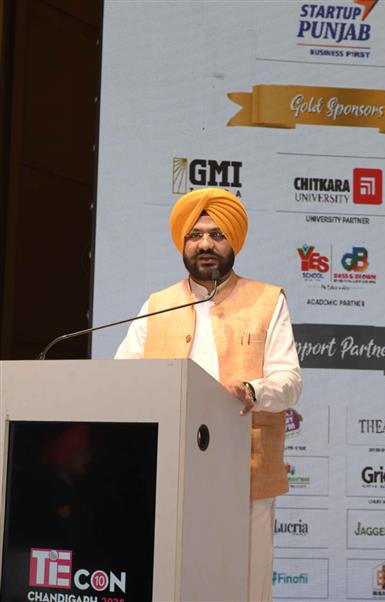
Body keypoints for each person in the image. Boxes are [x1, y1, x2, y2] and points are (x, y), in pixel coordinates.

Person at [115, 187, 302, 602]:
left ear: (233, 241)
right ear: (183, 243)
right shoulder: (157, 304)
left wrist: (254, 391)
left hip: (247, 470)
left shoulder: (268, 300)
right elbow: (123, 377)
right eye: (195, 235)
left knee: (246, 585)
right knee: (174, 582)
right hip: (170, 471)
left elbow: (289, 380)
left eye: (217, 235)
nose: (205, 244)